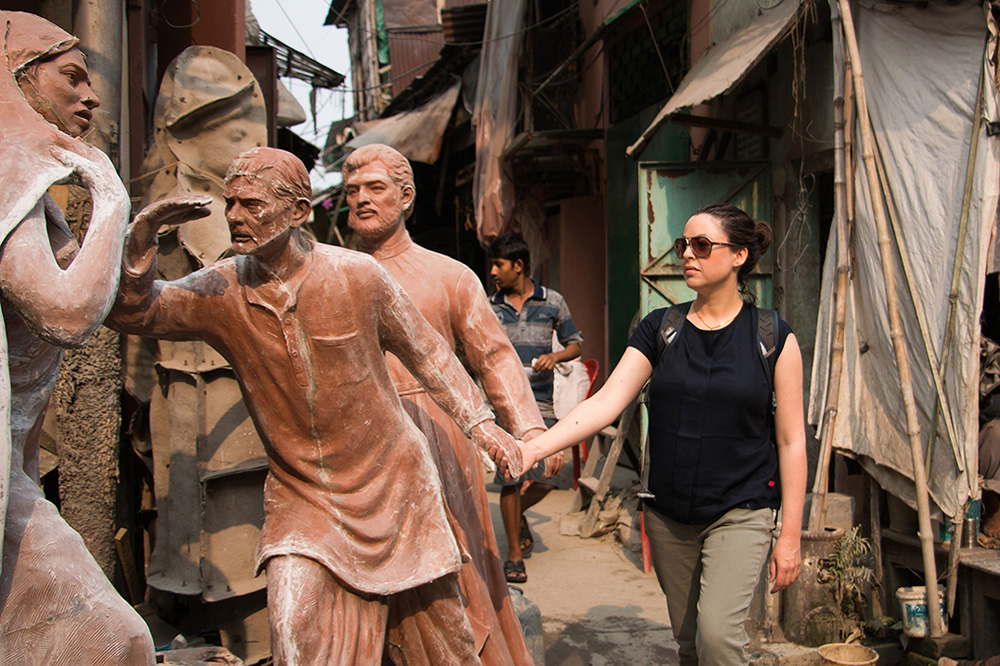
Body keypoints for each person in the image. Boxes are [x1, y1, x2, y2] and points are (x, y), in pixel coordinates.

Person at [107, 147, 523, 665]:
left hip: (396, 487)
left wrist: (486, 427)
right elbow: (134, 310)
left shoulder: (357, 275)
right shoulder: (223, 289)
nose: (234, 216)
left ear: (299, 211)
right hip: (304, 498)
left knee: (445, 644)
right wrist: (139, 248)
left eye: (252, 205)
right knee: (293, 625)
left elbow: (431, 356)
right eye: (230, 203)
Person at [0, 11, 208, 663]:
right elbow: (63, 313)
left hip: (13, 473)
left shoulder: (33, 187)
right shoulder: (13, 173)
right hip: (12, 477)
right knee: (112, 640)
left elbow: (85, 294)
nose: (90, 96)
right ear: (17, 80)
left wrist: (136, 241)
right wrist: (111, 193)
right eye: (71, 77)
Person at [519, 203, 807, 665]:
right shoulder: (661, 329)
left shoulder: (773, 337)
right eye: (683, 245)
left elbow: (792, 441)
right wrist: (531, 446)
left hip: (742, 509)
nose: (687, 255)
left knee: (718, 639)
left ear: (738, 256)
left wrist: (789, 533)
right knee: (691, 643)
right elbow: (607, 402)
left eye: (701, 245)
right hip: (669, 515)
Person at [343, 143, 541, 664]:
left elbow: (495, 357)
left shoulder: (448, 275)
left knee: (462, 565)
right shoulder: (330, 274)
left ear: (406, 197)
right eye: (352, 191)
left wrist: (529, 430)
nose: (361, 200)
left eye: (375, 188)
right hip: (359, 445)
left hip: (438, 433)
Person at [488, 233, 583, 583]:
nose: (494, 271)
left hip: (542, 402)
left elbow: (575, 345)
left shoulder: (553, 301)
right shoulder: (489, 305)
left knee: (549, 476)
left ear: (518, 266)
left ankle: (517, 516)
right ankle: (514, 554)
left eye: (499, 264)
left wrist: (554, 356)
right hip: (506, 405)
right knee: (511, 479)